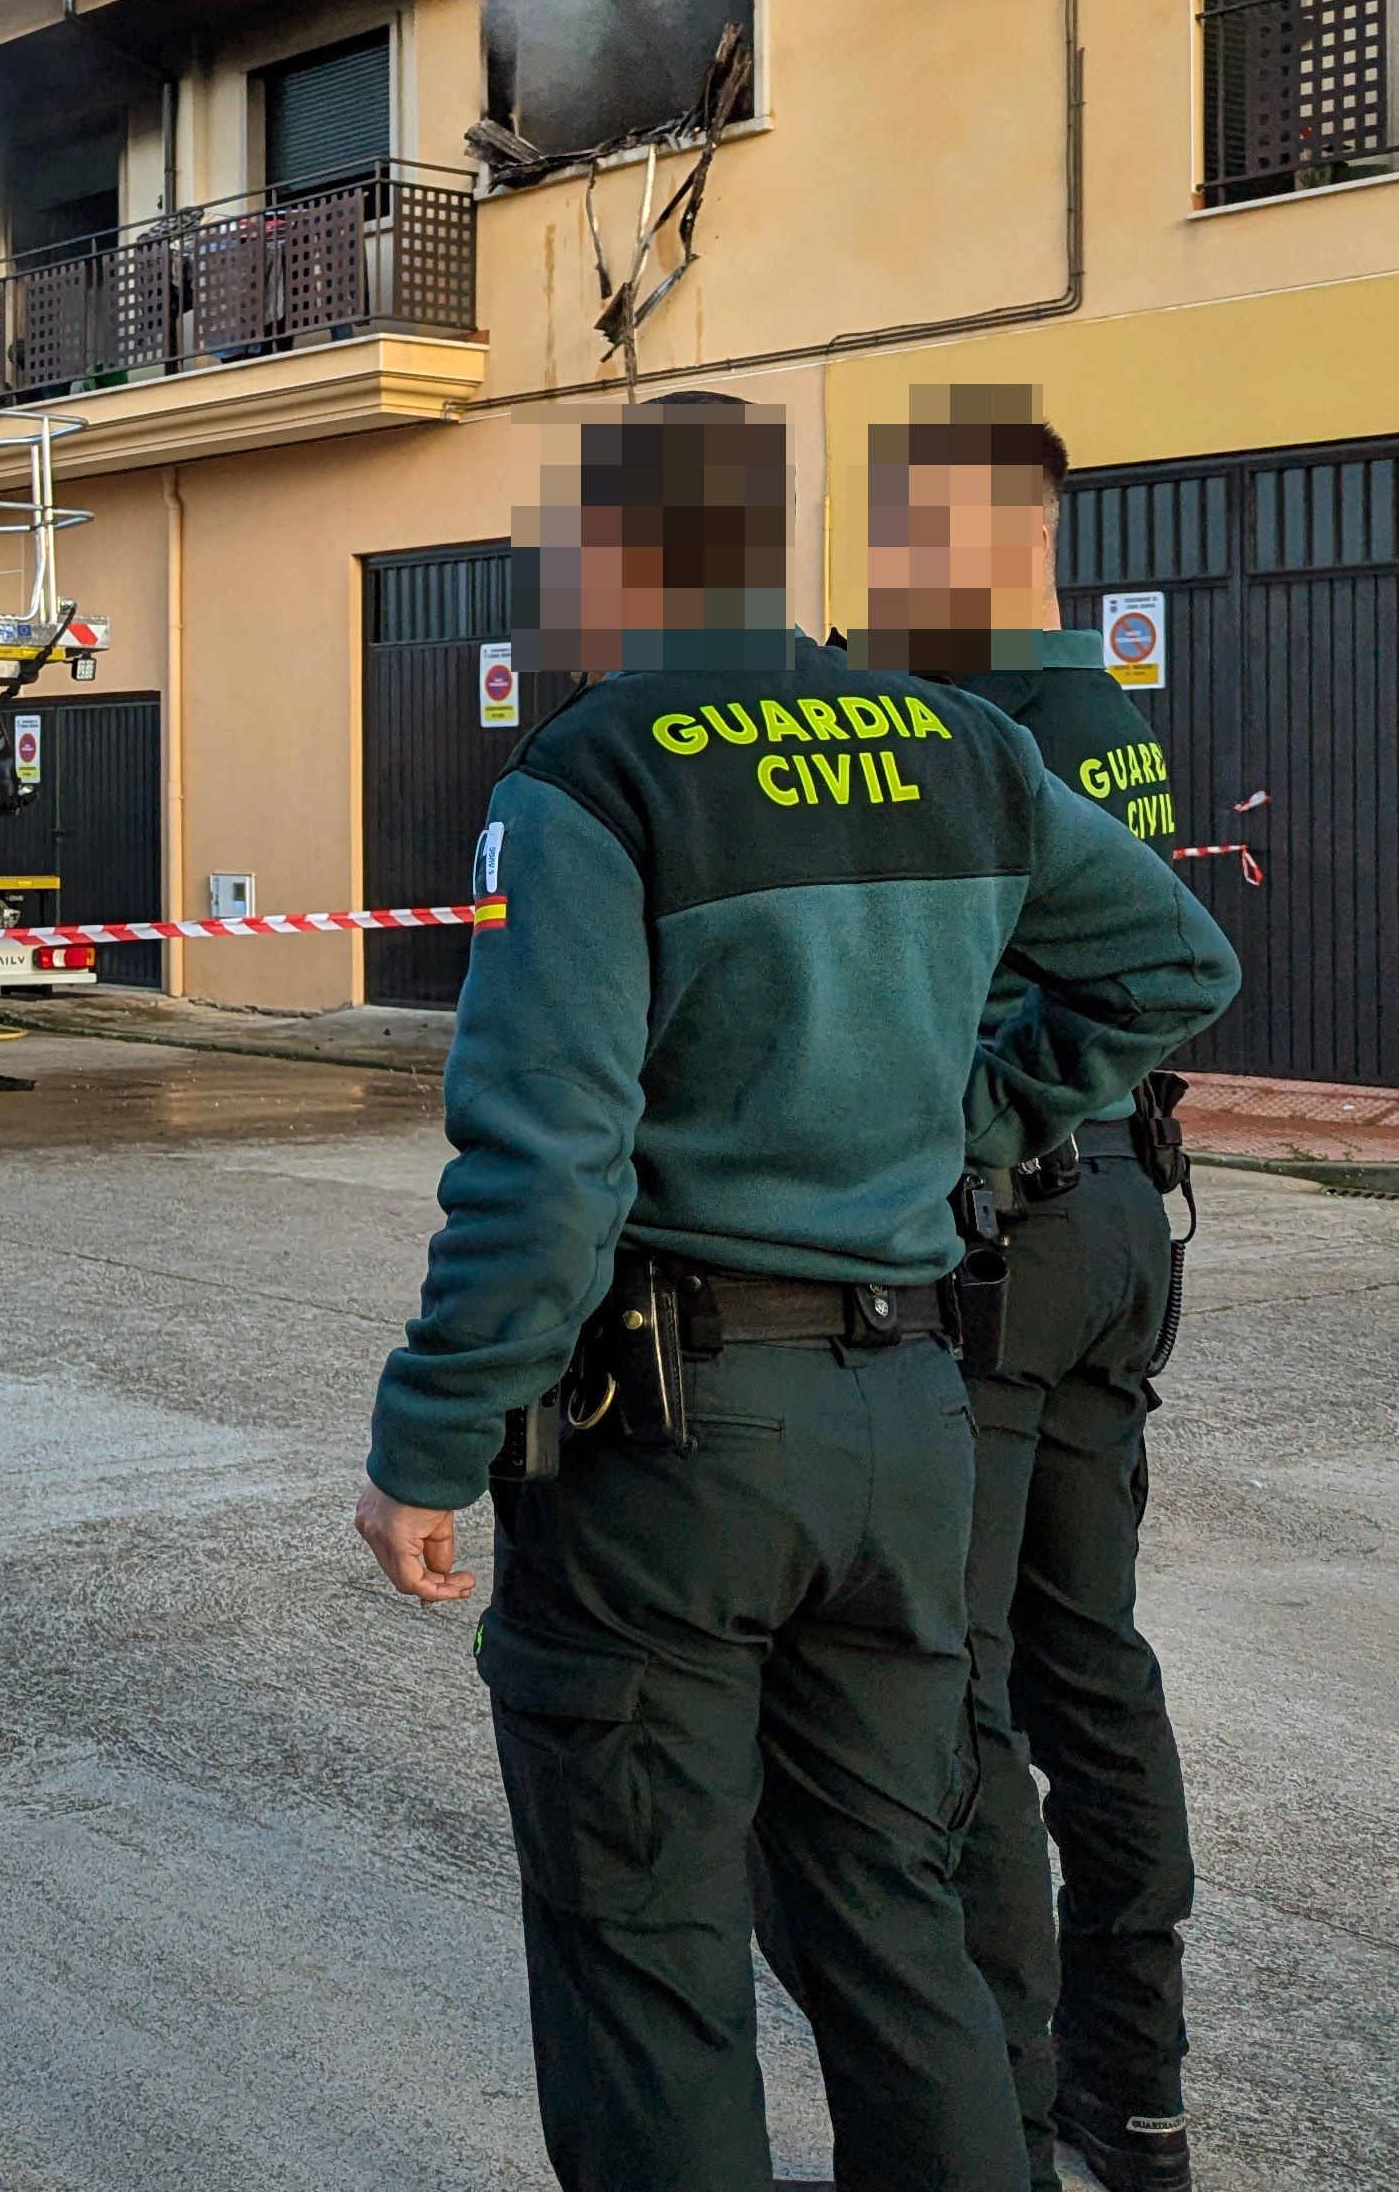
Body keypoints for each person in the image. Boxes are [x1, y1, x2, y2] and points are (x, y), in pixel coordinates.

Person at [351, 397, 1237, 2192]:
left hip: (670, 1448)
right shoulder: (961, 746)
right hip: (907, 1426)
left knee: (647, 1952)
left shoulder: (594, 775)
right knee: (894, 1933)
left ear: (614, 561)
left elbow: (547, 1167)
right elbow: (1172, 961)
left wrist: (428, 1439)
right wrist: (971, 1115)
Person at [860, 393, 1204, 2192]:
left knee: (962, 1692)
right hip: (1126, 1211)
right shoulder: (1094, 703)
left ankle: (991, 2108)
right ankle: (1130, 2102)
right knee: (1095, 1668)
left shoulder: (980, 715)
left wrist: (982, 1123)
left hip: (1016, 1235)